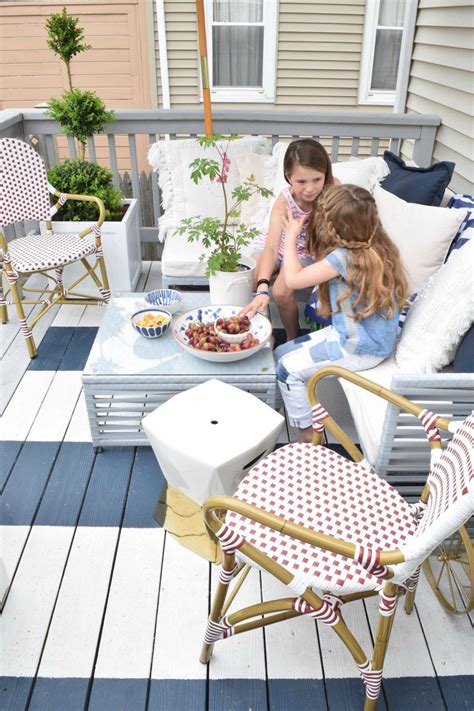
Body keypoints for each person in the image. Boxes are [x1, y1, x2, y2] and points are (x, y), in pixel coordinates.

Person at [275, 184, 408, 443]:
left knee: (286, 370)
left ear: (332, 227)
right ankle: (291, 410)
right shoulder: (379, 243)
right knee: (281, 352)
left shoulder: (343, 258)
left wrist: (290, 236)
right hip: (364, 337)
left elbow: (292, 279)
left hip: (358, 349)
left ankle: (308, 435)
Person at [241, 139, 339, 340]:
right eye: (301, 182)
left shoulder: (334, 190)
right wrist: (261, 285)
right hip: (278, 241)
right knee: (250, 282)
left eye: (316, 179)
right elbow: (272, 245)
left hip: (306, 249)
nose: (310, 188)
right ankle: (264, 334)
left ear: (325, 174)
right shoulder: (284, 201)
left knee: (280, 292)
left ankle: (292, 338)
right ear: (288, 177)